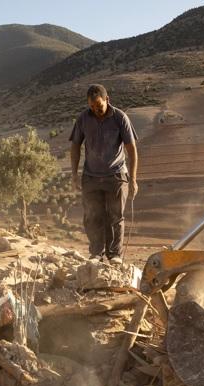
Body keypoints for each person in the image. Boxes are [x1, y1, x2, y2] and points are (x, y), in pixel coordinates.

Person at [69, 84, 139, 263]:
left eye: (98, 105)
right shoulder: (83, 118)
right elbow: (75, 146)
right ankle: (96, 254)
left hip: (116, 176)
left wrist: (133, 180)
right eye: (91, 106)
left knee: (115, 216)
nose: (95, 109)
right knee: (92, 216)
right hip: (91, 177)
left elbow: (132, 150)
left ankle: (114, 256)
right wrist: (74, 174)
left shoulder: (120, 118)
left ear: (107, 100)